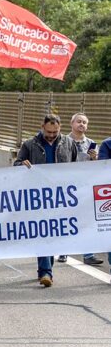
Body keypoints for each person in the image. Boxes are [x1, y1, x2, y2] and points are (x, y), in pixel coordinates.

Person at [14, 114, 77, 288]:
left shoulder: (68, 143)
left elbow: (75, 166)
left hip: (60, 197)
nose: (51, 135)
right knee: (43, 232)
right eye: (48, 132)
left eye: (55, 132)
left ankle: (46, 266)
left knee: (54, 234)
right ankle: (45, 272)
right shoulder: (30, 144)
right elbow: (16, 164)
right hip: (38, 197)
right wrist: (22, 165)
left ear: (60, 128)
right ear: (42, 127)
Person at [63, 113, 102, 264]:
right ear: (71, 123)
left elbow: (98, 167)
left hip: (85, 186)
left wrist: (95, 158)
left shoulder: (91, 143)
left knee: (86, 220)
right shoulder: (63, 141)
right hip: (67, 186)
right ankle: (63, 251)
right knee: (67, 219)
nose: (82, 124)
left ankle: (88, 255)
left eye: (84, 122)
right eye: (79, 121)